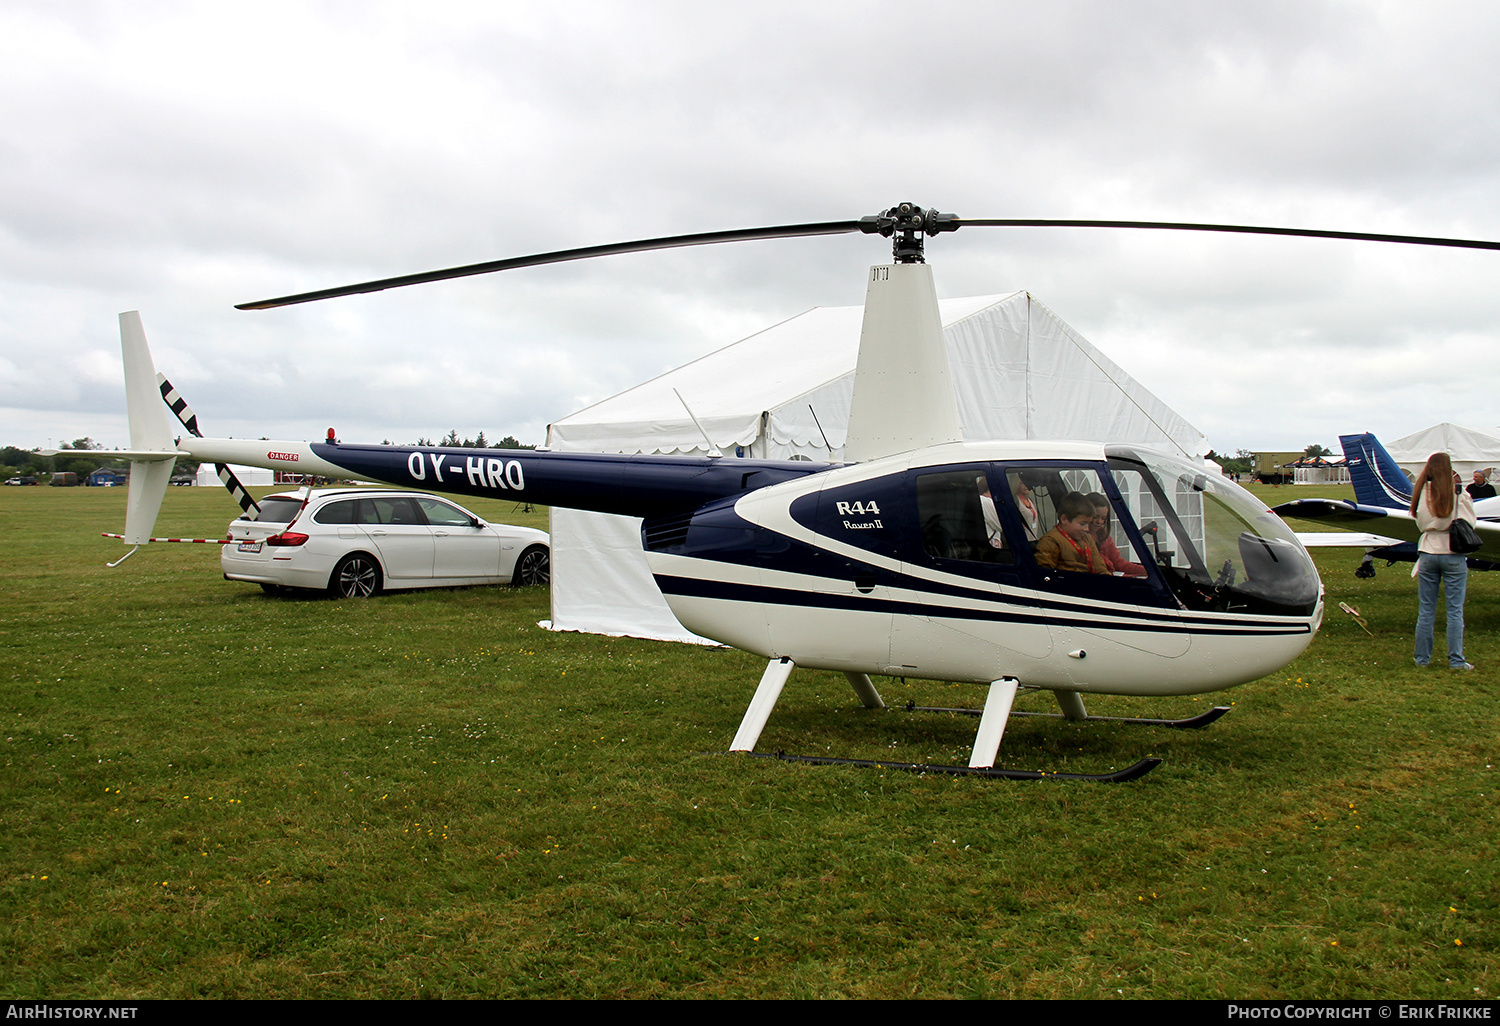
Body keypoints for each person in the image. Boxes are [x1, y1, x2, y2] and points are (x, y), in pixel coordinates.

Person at [1411, 452, 1477, 669]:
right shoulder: (1458, 492)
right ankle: (1456, 660)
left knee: (1427, 609)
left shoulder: (1422, 491)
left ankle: (1422, 659)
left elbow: (1420, 522)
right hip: (1453, 553)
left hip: (1429, 551)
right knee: (1455, 609)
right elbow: (1470, 523)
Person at [1034, 492, 1110, 574]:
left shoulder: (1087, 538)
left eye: (1088, 523)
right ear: (1064, 519)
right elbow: (1045, 574)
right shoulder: (1051, 541)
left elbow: (1100, 567)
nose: (1086, 529)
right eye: (1082, 524)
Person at [1083, 492, 1146, 577]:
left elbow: (1118, 563)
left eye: (1103, 518)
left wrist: (1146, 571)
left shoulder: (1104, 537)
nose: (1099, 522)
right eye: (1095, 517)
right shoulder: (1080, 538)